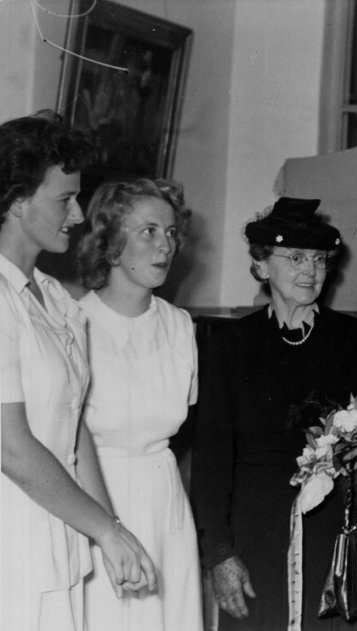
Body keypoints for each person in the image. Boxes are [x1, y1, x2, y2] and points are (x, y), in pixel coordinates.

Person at [191, 196, 357, 631]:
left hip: (338, 529)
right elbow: (210, 463)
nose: (310, 270)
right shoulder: (230, 346)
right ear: (262, 267)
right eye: (296, 257)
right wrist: (219, 553)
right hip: (257, 531)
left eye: (320, 259)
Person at [0, 114, 157, 630]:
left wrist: (111, 529)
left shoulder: (55, 300)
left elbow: (74, 429)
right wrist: (105, 531)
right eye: (62, 199)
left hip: (58, 533)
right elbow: (9, 444)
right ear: (17, 201)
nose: (78, 213)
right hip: (11, 535)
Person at [76, 178, 202, 631]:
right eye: (148, 231)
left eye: (170, 233)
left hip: (165, 507)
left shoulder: (180, 325)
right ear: (110, 243)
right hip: (94, 504)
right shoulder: (73, 323)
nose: (165, 245)